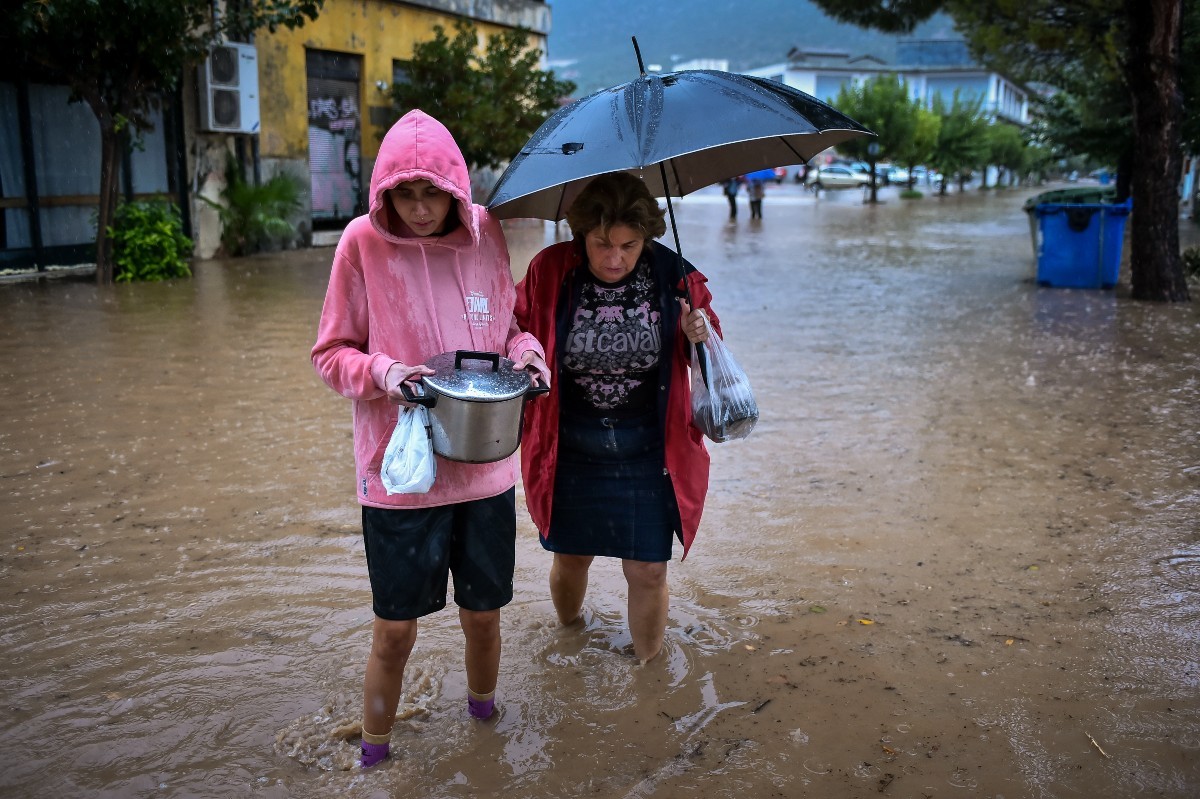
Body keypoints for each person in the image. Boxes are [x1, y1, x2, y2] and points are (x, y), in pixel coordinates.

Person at [311, 109, 549, 769]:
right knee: (394, 631)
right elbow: (330, 354)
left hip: (485, 468)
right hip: (400, 474)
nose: (419, 209)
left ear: (455, 188)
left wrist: (529, 355)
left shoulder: (487, 234)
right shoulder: (360, 243)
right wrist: (385, 372)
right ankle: (374, 755)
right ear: (384, 194)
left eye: (432, 193)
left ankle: (483, 725)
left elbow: (510, 330)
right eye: (405, 195)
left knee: (484, 615)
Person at [514, 171, 720, 664]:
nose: (613, 259)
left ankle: (649, 675)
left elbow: (712, 353)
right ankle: (569, 632)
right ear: (580, 233)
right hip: (569, 449)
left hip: (650, 451)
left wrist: (701, 330)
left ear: (646, 237)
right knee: (571, 557)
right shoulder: (550, 271)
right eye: (602, 243)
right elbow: (515, 328)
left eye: (628, 245)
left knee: (649, 570)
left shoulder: (676, 277)